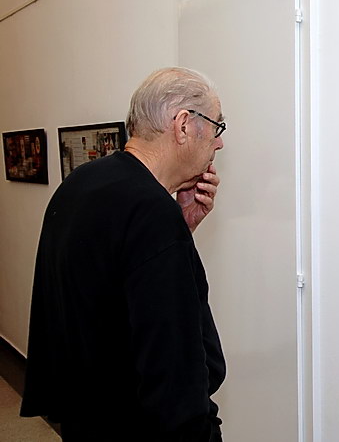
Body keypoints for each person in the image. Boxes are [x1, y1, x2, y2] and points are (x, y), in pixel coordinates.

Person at [21, 67, 227, 441]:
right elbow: (173, 372)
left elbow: (113, 293)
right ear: (183, 125)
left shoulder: (83, 182)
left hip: (87, 418)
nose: (219, 143)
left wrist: (181, 230)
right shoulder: (151, 212)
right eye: (217, 126)